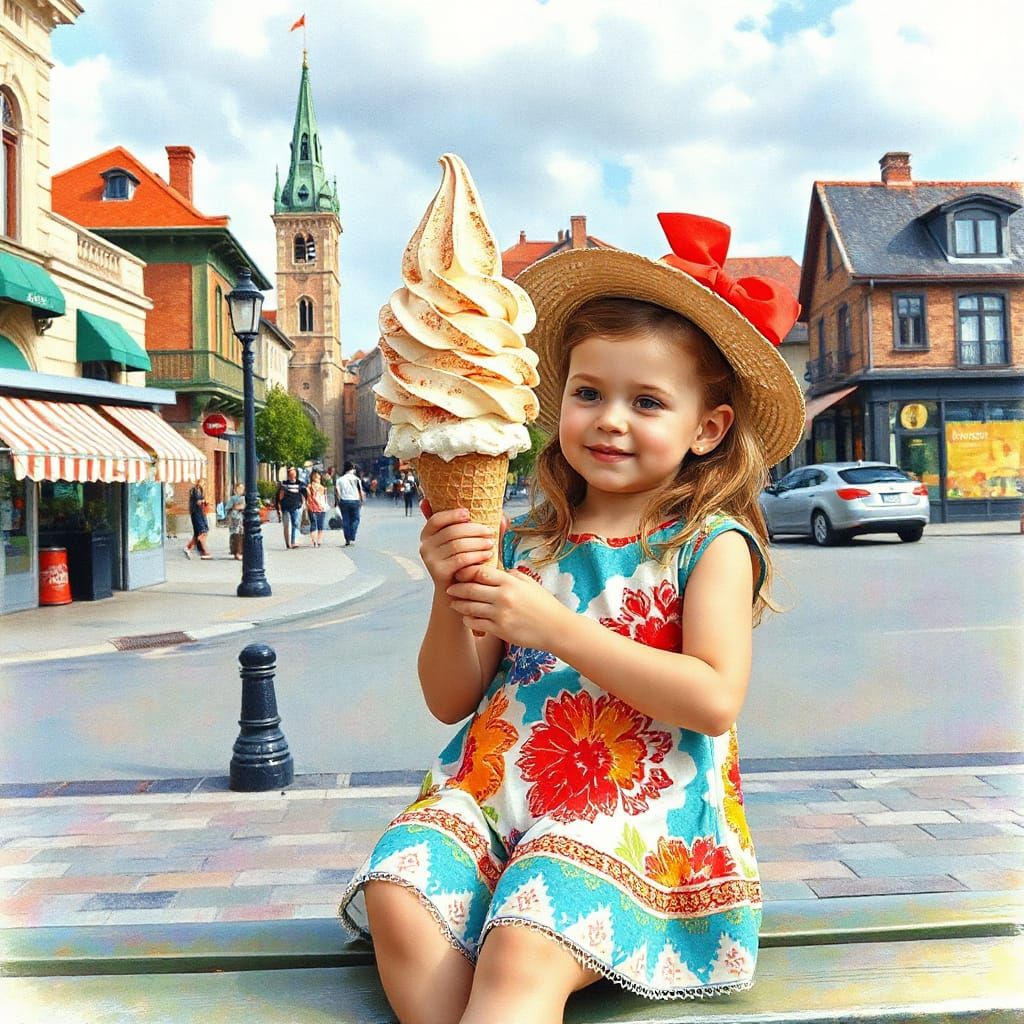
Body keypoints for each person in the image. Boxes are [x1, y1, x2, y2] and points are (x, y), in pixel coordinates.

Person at [338, 213, 804, 1020]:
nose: (611, 418)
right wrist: (453, 597)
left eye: (647, 401)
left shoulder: (708, 544)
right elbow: (452, 697)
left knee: (525, 942)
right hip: (496, 797)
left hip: (636, 814)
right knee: (398, 892)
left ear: (708, 428)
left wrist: (557, 628)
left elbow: (712, 697)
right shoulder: (524, 539)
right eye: (589, 392)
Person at [276, 467, 307, 549]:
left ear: (296, 474)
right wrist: (279, 507)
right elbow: (280, 496)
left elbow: (305, 494)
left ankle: (294, 541)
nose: (291, 475)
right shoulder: (284, 484)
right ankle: (287, 543)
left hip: (296, 506)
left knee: (295, 524)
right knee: (286, 525)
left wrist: (304, 504)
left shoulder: (300, 484)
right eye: (290, 473)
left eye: (293, 473)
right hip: (285, 507)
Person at [335, 461, 364, 546]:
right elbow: (360, 491)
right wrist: (362, 501)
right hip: (355, 500)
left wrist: (339, 501)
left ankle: (347, 539)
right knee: (356, 519)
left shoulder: (340, 479)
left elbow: (337, 492)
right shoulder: (357, 479)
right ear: (352, 469)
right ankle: (352, 535)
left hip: (344, 501)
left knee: (346, 520)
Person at [183, 479, 212, 559]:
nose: (204, 484)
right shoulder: (194, 491)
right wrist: (204, 501)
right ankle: (204, 550)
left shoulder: (201, 491)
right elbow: (198, 502)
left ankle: (190, 548)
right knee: (202, 532)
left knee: (199, 533)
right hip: (196, 513)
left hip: (201, 513)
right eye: (203, 482)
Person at [306, 469, 327, 547]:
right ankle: (315, 541)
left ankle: (319, 540)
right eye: (315, 475)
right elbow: (309, 497)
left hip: (322, 507)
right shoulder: (309, 486)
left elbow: (325, 498)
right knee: (314, 524)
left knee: (320, 525)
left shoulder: (323, 487)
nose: (317, 477)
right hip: (313, 507)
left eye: (318, 476)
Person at [225, 481, 246, 560]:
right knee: (236, 535)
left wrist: (243, 508)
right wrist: (235, 507)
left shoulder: (244, 498)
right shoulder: (233, 498)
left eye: (242, 488)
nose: (241, 490)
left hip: (242, 519)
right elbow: (227, 508)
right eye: (239, 488)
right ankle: (236, 552)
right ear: (235, 489)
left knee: (242, 535)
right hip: (235, 519)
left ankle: (241, 552)